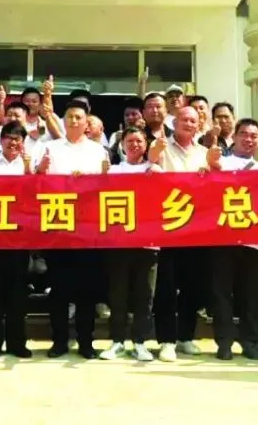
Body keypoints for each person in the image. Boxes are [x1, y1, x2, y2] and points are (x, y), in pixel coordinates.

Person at [35, 100, 108, 359]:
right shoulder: (50, 148)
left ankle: (86, 342)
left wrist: (89, 181)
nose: (74, 121)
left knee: (87, 292)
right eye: (69, 117)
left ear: (87, 122)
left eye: (79, 117)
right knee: (59, 291)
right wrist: (41, 171)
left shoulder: (98, 150)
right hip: (59, 227)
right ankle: (59, 341)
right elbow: (37, 183)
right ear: (63, 121)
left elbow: (106, 186)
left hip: (88, 229)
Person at [148, 106, 222, 361]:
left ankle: (185, 337)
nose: (188, 124)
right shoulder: (162, 147)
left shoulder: (203, 153)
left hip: (196, 230)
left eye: (193, 120)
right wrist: (154, 156)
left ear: (199, 125)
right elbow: (151, 165)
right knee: (166, 288)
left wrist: (211, 170)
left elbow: (216, 186)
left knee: (193, 286)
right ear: (174, 122)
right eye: (184, 120)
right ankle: (166, 340)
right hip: (167, 228)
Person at [210, 118, 258, 361]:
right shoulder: (221, 163)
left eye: (253, 136)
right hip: (222, 239)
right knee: (221, 293)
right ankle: (224, 342)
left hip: (253, 241)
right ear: (235, 137)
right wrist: (209, 162)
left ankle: (250, 341)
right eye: (243, 134)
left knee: (250, 294)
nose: (248, 139)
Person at [99, 126, 156, 362]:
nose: (134, 145)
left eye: (139, 141)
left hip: (148, 242)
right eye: (130, 141)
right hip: (119, 242)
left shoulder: (154, 169)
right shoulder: (114, 170)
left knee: (145, 295)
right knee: (118, 294)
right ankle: (117, 341)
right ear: (122, 145)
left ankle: (140, 342)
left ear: (146, 145)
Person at [0, 122, 35, 359]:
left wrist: (30, 170)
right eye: (9, 138)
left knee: (17, 295)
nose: (13, 143)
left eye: (18, 139)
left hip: (20, 239)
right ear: (1, 140)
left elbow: (37, 193)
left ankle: (16, 343)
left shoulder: (29, 164)